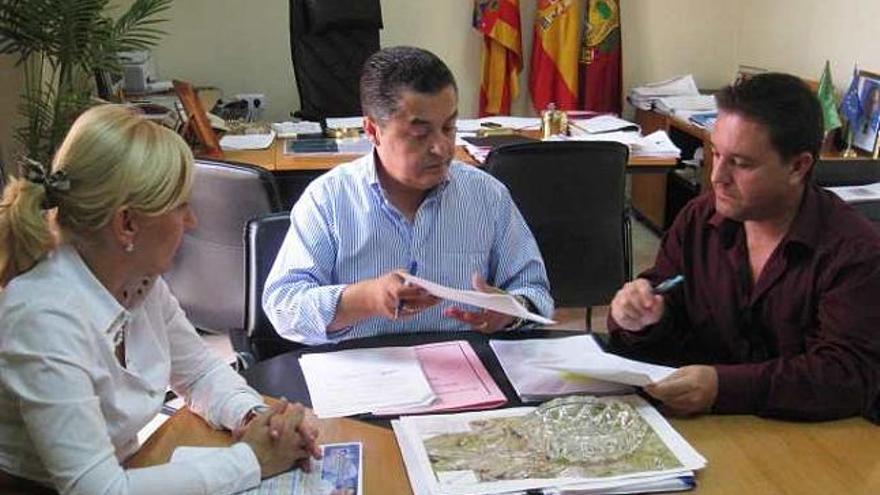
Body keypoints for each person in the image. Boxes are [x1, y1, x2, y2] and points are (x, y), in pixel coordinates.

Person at [0, 105, 321, 494]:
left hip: (132, 467)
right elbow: (96, 489)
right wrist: (252, 460)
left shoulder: (138, 280)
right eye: (181, 207)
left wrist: (257, 419)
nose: (192, 223)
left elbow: (200, 373)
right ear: (128, 224)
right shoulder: (43, 317)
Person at [607, 73, 880, 423]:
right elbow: (666, 309)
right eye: (716, 153)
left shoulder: (855, 251)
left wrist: (724, 386)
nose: (717, 176)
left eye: (741, 163)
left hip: (809, 443)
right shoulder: (699, 220)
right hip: (709, 432)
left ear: (798, 166)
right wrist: (642, 319)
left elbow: (846, 377)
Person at [263, 46, 553, 345]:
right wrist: (367, 299)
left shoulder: (486, 195)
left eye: (449, 127)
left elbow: (534, 292)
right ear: (373, 131)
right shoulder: (329, 199)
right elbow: (284, 306)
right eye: (420, 134)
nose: (441, 147)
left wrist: (511, 313)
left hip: (463, 370)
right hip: (362, 371)